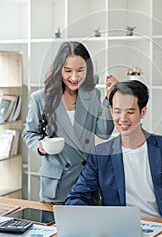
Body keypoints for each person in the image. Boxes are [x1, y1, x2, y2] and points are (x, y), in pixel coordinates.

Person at [65, 80, 162, 221]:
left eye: (130, 112)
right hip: (119, 230)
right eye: (117, 111)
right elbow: (76, 196)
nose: (123, 119)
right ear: (111, 111)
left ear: (143, 112)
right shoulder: (101, 155)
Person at [23, 41, 118, 204]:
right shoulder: (40, 98)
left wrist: (110, 98)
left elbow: (103, 132)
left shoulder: (92, 95)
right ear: (59, 69)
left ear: (87, 70)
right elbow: (29, 133)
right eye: (68, 71)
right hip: (56, 185)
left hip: (85, 182)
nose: (74, 77)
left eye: (80, 70)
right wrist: (39, 145)